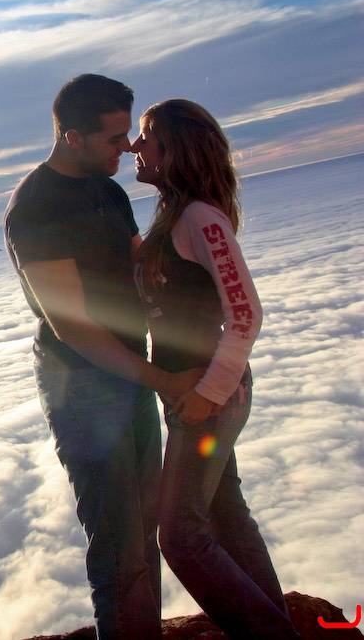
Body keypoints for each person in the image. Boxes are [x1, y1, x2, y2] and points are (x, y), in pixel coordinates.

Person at [4, 74, 202, 640]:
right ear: (72, 137)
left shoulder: (107, 189)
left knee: (144, 529)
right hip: (83, 386)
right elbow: (72, 327)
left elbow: (138, 266)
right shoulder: (36, 207)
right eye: (116, 138)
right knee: (118, 541)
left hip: (130, 371)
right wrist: (165, 380)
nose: (129, 146)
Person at [130, 99, 300, 639]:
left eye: (147, 136)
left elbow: (245, 312)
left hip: (210, 398)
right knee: (227, 515)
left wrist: (209, 392)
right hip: (198, 397)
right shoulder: (176, 217)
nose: (135, 146)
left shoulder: (200, 218)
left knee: (180, 536)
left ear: (176, 147)